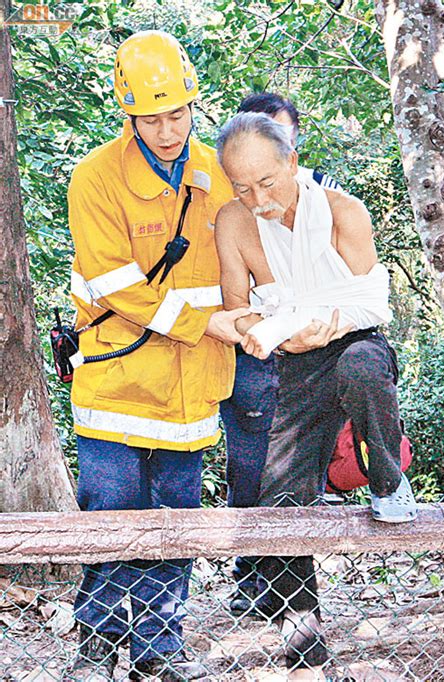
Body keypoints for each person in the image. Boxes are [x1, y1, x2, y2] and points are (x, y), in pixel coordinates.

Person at [67, 31, 248, 681]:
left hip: (192, 384)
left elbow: (244, 261)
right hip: (118, 377)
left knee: (177, 520)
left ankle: (158, 647)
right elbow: (115, 284)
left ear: (193, 106)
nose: (167, 130)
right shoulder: (95, 177)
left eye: (177, 114)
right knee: (111, 513)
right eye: (151, 117)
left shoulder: (216, 172)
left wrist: (264, 312)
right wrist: (210, 323)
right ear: (128, 114)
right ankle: (96, 637)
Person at [215, 112, 417, 672]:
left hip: (356, 344)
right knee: (277, 503)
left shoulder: (343, 212)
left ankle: (388, 480)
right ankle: (304, 638)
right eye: (241, 187)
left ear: (293, 164)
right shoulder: (233, 223)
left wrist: (314, 317)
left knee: (360, 368)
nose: (258, 199)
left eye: (267, 183)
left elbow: (374, 303)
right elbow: (237, 310)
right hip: (295, 367)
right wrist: (272, 329)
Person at [220, 93, 342, 616]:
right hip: (255, 361)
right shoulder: (234, 212)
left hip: (317, 363)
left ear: (291, 150)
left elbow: (352, 291)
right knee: (249, 473)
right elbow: (234, 300)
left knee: (300, 481)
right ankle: (252, 581)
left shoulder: (327, 202)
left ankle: (294, 601)